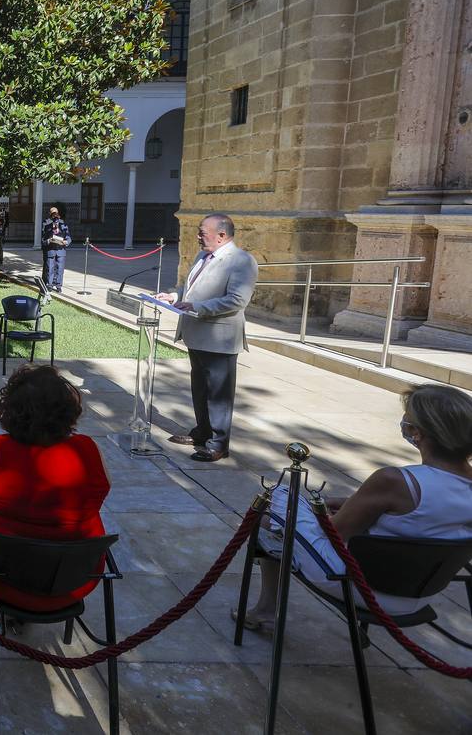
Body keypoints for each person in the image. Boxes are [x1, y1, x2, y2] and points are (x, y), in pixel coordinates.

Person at [238, 385, 472, 630]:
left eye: (409, 421)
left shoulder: (396, 481)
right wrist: (357, 507)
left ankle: (265, 608)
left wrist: (328, 513)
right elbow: (425, 521)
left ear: (418, 433)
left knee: (275, 503)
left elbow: (333, 534)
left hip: (364, 587)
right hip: (422, 594)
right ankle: (265, 608)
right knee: (285, 516)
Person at [0, 364, 110, 613]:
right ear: (68, 410)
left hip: (1, 576)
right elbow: (100, 494)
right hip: (75, 577)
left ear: (11, 409)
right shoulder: (89, 450)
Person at [155, 213, 258, 463]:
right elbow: (190, 287)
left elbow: (237, 300)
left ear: (222, 235)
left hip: (219, 337)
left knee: (219, 394)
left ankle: (219, 443)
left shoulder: (242, 261)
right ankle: (202, 432)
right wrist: (173, 296)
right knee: (200, 388)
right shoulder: (203, 256)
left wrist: (197, 307)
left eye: (203, 232)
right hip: (196, 334)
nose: (198, 237)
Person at [41, 206, 71, 291]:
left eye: (56, 213)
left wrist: (67, 242)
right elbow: (44, 238)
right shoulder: (46, 223)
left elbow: (68, 237)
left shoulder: (63, 223)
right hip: (50, 250)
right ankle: (49, 285)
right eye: (53, 213)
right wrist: (49, 239)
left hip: (61, 250)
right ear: (50, 214)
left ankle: (58, 286)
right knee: (50, 268)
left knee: (60, 269)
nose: (55, 215)